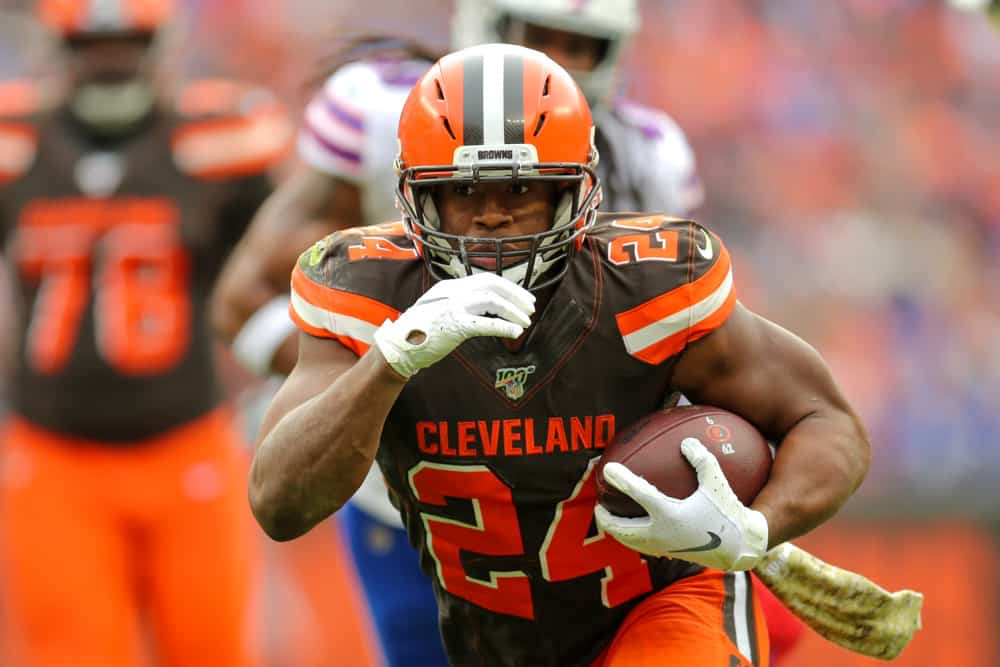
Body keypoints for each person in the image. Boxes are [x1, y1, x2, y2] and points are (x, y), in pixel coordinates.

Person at [249, 44, 870, 667]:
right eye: (463, 190)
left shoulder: (646, 289)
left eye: (522, 188)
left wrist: (756, 528)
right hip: (492, 642)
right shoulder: (366, 296)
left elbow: (826, 420)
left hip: (662, 605)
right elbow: (278, 502)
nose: (492, 216)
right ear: (417, 196)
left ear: (575, 190)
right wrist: (391, 360)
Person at [212, 4, 703, 661]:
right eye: (538, 36)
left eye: (580, 45)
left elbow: (681, 332)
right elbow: (242, 298)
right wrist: (349, 377)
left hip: (581, 507)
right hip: (423, 496)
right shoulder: (383, 112)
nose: (558, 60)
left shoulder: (650, 153)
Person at [0, 2, 291, 665]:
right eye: (91, 46)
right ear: (56, 48)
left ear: (161, 45)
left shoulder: (219, 138)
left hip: (186, 442)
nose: (111, 61)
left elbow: (272, 270)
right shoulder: (17, 141)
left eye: (129, 42)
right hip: (52, 455)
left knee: (210, 648)